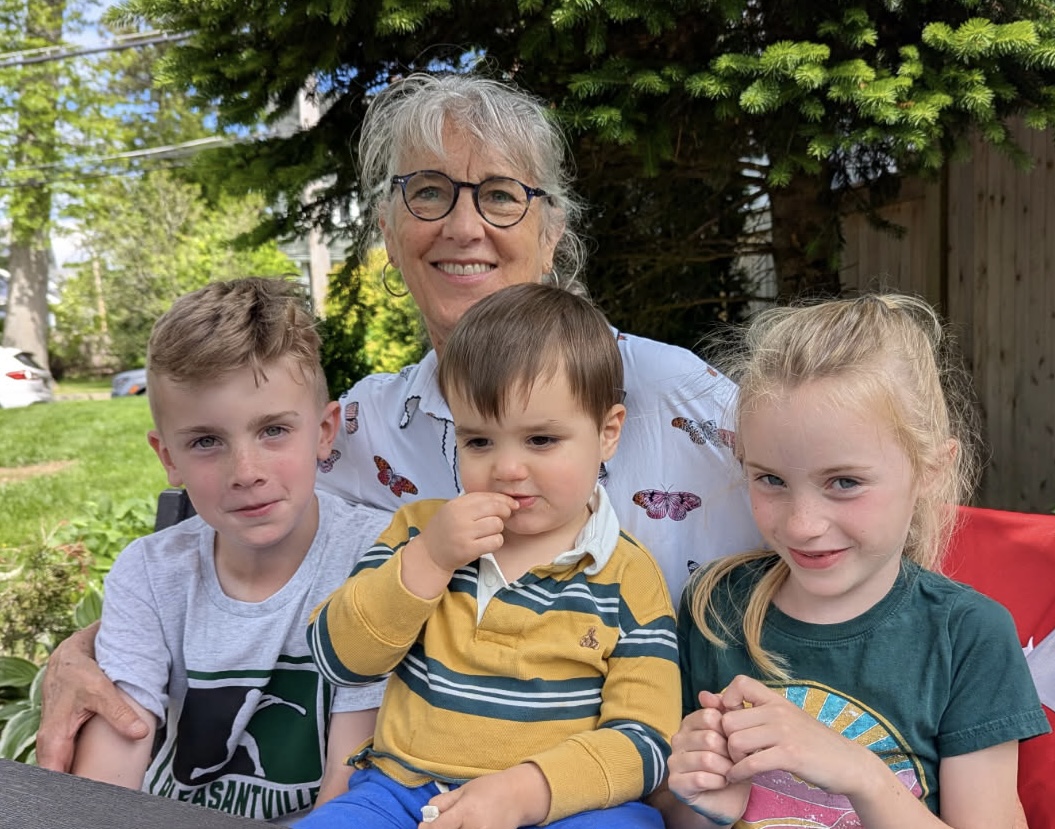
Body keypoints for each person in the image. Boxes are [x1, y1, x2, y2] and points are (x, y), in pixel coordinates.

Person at [38, 71, 761, 772]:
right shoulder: (359, 431)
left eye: (501, 195)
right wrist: (88, 647)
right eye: (429, 192)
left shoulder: (680, 400)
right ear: (387, 229)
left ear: (552, 231)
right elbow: (244, 551)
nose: (464, 226)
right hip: (418, 787)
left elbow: (819, 523)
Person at [655, 294, 1050, 829]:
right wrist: (705, 805)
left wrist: (861, 775)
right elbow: (672, 813)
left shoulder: (967, 634)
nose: (802, 525)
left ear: (931, 470)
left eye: (844, 482)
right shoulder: (714, 606)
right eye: (770, 479)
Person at [296, 282, 681, 829]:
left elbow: (645, 740)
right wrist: (429, 561)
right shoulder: (421, 532)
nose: (507, 469)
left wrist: (528, 791)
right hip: (405, 793)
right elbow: (339, 658)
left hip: (558, 807)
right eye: (478, 441)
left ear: (607, 433)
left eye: (541, 440)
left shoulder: (627, 577)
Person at [69, 277, 392, 822]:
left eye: (273, 431)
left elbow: (350, 780)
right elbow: (112, 766)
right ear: (167, 457)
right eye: (206, 441)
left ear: (324, 432)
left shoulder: (376, 558)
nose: (246, 472)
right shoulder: (149, 573)